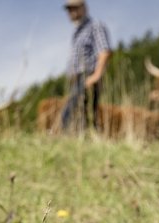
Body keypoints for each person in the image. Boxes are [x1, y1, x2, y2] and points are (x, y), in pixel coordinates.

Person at [60, 0, 111, 133]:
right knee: (84, 118)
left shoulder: (95, 26)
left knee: (68, 115)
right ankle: (89, 143)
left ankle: (68, 143)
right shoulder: (77, 32)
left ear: (84, 7)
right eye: (69, 9)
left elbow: (104, 51)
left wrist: (96, 76)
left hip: (87, 77)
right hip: (76, 80)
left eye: (75, 8)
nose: (72, 12)